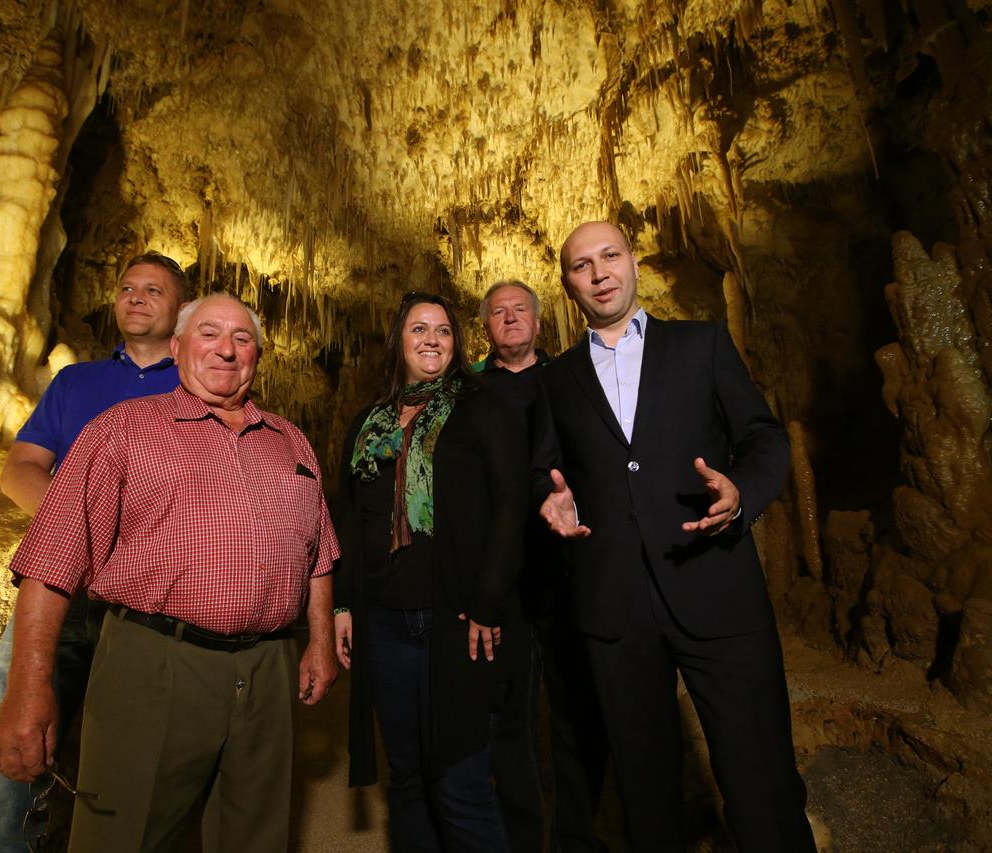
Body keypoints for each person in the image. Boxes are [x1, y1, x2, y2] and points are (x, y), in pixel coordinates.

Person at [0, 294, 339, 853]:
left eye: (242, 338)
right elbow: (52, 562)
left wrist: (319, 642)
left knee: (257, 837)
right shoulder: (122, 430)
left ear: (258, 356)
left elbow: (318, 553)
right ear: (177, 348)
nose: (227, 348)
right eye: (210, 333)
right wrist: (29, 690)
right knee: (125, 834)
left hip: (269, 668)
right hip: (154, 661)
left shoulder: (290, 442)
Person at [534, 222, 816, 852]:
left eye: (610, 257)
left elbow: (763, 438)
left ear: (633, 264)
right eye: (583, 266)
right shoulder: (555, 380)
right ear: (567, 284)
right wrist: (549, 500)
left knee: (761, 779)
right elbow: (544, 471)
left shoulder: (703, 344)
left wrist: (741, 492)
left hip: (716, 585)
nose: (600, 273)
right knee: (646, 792)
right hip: (615, 608)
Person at [0, 251, 186, 852]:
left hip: (142, 598)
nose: (135, 298)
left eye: (153, 291)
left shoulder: (199, 383)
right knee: (19, 731)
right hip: (58, 588)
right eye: (128, 288)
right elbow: (21, 469)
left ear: (181, 309)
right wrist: (79, 536)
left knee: (130, 744)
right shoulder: (75, 381)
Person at [334, 292, 526, 852]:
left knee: (461, 783)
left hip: (457, 621)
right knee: (410, 779)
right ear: (399, 342)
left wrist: (488, 603)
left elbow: (511, 509)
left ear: (457, 342)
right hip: (386, 624)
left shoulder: (483, 408)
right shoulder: (369, 423)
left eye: (442, 330)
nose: (432, 339)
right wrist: (344, 604)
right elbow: (350, 516)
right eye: (418, 329)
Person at [474, 280, 609, 853]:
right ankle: (524, 838)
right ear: (485, 328)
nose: (510, 318)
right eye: (498, 312)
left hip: (568, 570)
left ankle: (578, 836)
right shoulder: (468, 391)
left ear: (538, 320)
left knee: (579, 707)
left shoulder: (572, 380)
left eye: (519, 309)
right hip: (504, 576)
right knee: (511, 717)